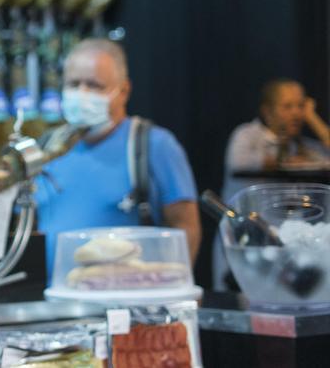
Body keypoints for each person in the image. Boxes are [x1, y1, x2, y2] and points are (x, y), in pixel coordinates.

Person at [34, 39, 201, 272]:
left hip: (128, 298)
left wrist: (174, 286)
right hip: (57, 299)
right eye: (73, 84)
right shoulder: (46, 149)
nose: (82, 94)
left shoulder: (153, 144)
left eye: (94, 85)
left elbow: (186, 226)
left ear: (123, 91)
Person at [213, 78, 330, 289]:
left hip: (290, 250)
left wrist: (312, 119)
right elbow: (238, 163)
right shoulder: (248, 136)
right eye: (288, 106)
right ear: (267, 111)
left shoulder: (302, 146)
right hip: (248, 243)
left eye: (300, 106)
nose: (296, 113)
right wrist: (282, 160)